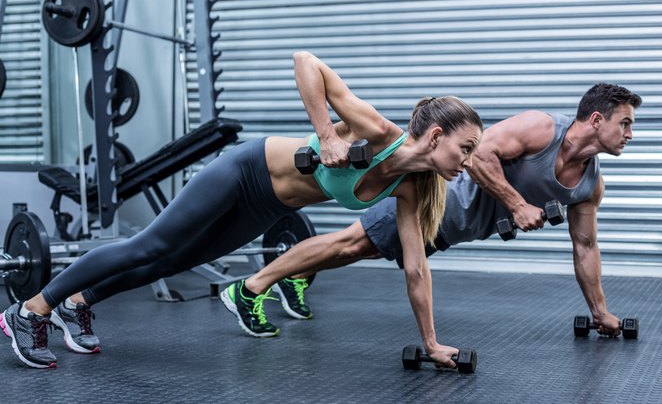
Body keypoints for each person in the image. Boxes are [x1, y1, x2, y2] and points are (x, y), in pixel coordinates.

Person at [0, 51, 483, 369]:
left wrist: (433, 342)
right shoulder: (377, 130)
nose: (468, 161)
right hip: (244, 170)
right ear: (437, 137)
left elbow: (417, 270)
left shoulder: (412, 190)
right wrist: (329, 134)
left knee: (173, 261)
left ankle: (78, 303)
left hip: (267, 206)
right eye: (466, 148)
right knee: (152, 244)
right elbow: (305, 61)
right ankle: (29, 310)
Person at [226, 83, 642, 348]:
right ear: (595, 119)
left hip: (453, 230)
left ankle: (292, 278)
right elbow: (478, 154)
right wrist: (516, 204)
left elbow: (586, 246)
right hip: (432, 200)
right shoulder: (541, 129)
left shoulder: (590, 185)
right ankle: (250, 287)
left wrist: (600, 310)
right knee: (351, 241)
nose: (630, 133)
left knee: (362, 249)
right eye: (624, 123)